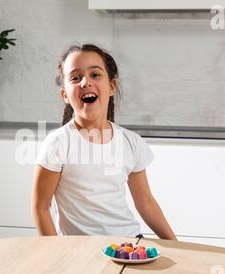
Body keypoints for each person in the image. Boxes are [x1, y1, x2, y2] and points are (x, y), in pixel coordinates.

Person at [31, 44, 177, 240]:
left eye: (95, 75)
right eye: (75, 78)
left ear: (111, 87)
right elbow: (40, 207)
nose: (85, 82)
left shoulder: (130, 141)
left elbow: (145, 202)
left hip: (129, 243)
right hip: (80, 249)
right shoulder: (59, 143)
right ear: (65, 94)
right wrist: (56, 254)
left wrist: (175, 244)